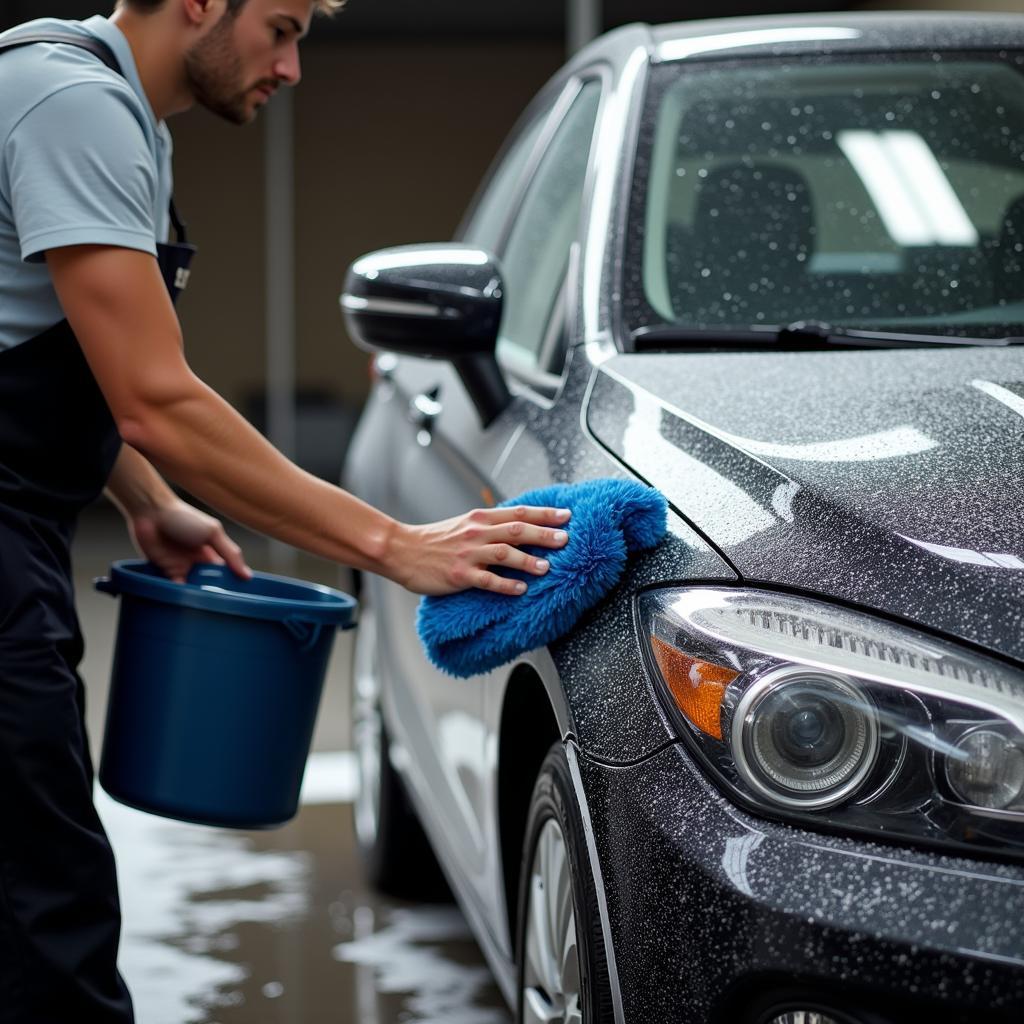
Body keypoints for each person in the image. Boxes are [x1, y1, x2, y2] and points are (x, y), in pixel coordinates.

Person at [0, 1, 571, 1020]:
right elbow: (157, 397)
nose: (294, 65)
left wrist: (148, 499)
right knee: (42, 906)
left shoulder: (123, 118)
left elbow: (67, 358)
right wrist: (395, 545)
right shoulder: (72, 101)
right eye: (282, 26)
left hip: (22, 526)